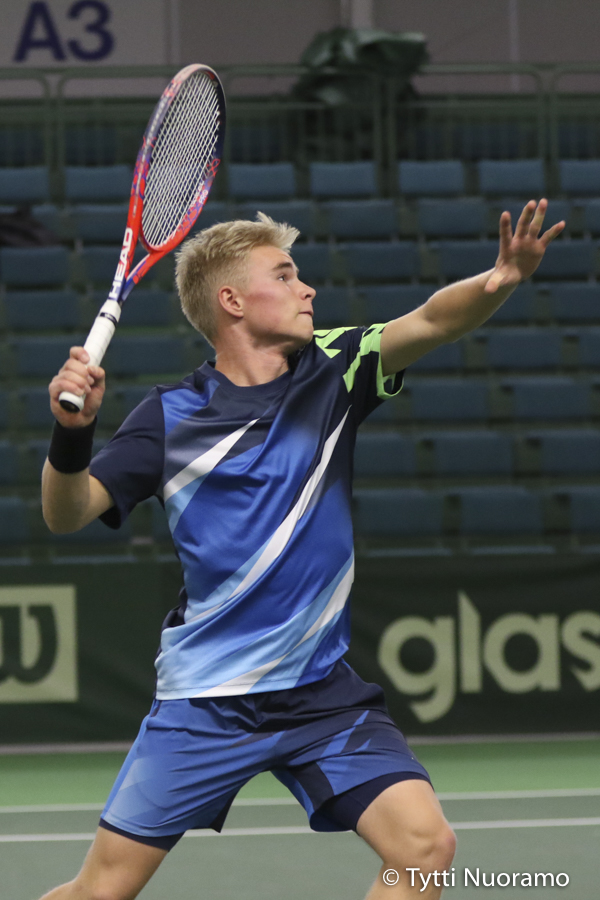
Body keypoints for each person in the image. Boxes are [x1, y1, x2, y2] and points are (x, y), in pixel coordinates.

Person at [40, 200, 563, 900]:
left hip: (322, 695)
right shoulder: (169, 417)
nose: (307, 288)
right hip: (209, 701)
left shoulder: (335, 370)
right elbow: (67, 513)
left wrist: (498, 281)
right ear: (232, 301)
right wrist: (72, 435)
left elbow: (434, 320)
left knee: (425, 847)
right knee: (101, 890)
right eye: (284, 275)